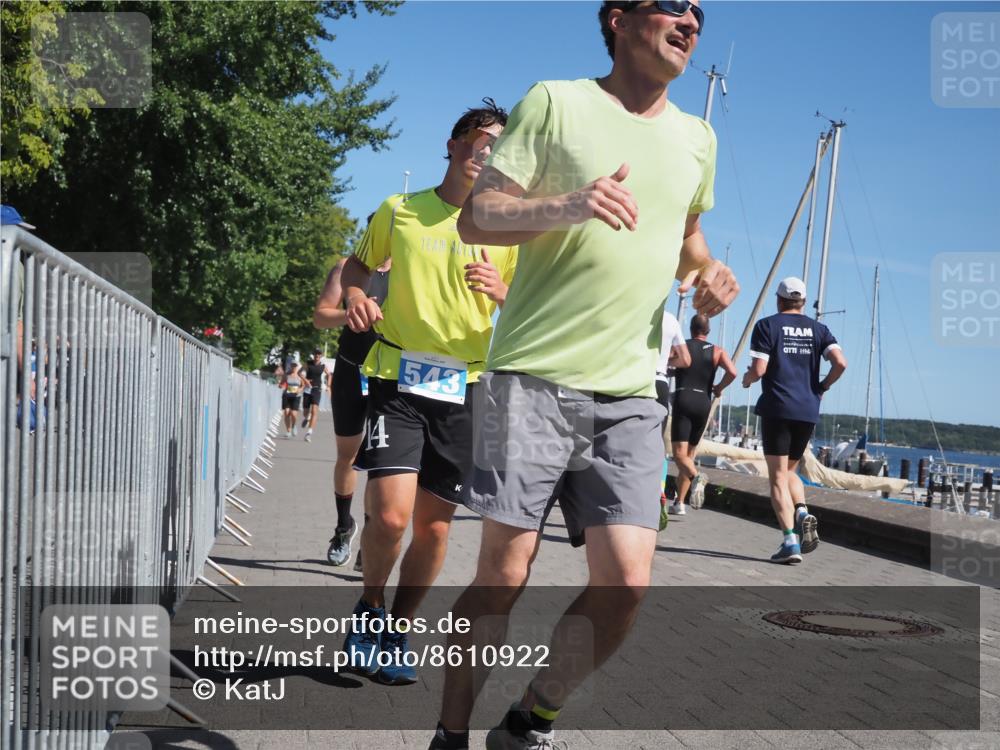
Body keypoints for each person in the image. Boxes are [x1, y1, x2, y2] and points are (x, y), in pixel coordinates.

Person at [430, 3, 739, 749]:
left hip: (632, 393)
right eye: (674, 5)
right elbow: (479, 215)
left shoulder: (698, 137)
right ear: (619, 18)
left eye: (702, 10)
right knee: (504, 574)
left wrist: (712, 275)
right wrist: (572, 203)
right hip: (532, 377)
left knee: (627, 584)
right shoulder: (557, 101)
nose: (692, 20)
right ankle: (451, 734)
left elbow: (688, 241)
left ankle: (530, 716)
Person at [339, 98, 517, 686]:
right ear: (452, 144)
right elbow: (356, 269)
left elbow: (530, 314)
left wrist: (502, 293)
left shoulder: (510, 231)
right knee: (391, 518)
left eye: (493, 145)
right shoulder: (401, 210)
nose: (481, 151)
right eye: (473, 139)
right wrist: (358, 297)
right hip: (396, 380)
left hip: (464, 388)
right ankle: (367, 606)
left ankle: (397, 630)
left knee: (435, 528)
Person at [742, 276, 847, 564]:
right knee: (790, 472)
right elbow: (841, 363)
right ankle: (801, 510)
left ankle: (790, 542)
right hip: (807, 410)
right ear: (802, 302)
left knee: (776, 477)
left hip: (778, 408)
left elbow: (760, 369)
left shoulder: (767, 325)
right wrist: (822, 387)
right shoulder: (820, 329)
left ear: (779, 300)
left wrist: (748, 379)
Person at [313, 247, 391, 568]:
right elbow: (320, 316)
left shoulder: (410, 273)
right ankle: (344, 528)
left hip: (388, 375)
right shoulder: (347, 268)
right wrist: (352, 312)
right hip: (350, 370)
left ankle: (371, 541)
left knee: (381, 463)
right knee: (347, 456)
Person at [669, 312, 736, 515]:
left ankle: (697, 476)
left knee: (679, 456)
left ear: (691, 329)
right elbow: (732, 372)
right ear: (708, 331)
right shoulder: (717, 350)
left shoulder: (681, 347)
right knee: (689, 455)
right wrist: (718, 387)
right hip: (703, 403)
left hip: (684, 398)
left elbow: (667, 364)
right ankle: (680, 502)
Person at [655, 308, 689, 528]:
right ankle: (658, 492)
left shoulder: (631, 308)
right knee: (657, 447)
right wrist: (667, 360)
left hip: (632, 381)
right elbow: (685, 359)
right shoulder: (670, 319)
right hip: (660, 383)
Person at [301, 349, 329, 442]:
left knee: (314, 411)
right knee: (305, 411)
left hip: (317, 389)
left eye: (319, 354)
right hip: (307, 389)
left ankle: (309, 433)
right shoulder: (308, 363)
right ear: (313, 355)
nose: (317, 355)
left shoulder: (322, 366)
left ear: (321, 356)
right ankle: (306, 417)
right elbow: (299, 373)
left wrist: (328, 385)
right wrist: (306, 381)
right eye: (315, 354)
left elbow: (329, 375)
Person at [280, 361, 304, 438]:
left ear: (297, 367)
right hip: (287, 395)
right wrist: (281, 386)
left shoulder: (300, 376)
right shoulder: (286, 375)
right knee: (286, 412)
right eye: (292, 365)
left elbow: (303, 385)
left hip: (296, 396)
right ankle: (288, 431)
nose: (293, 367)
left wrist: (300, 390)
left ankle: (294, 426)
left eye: (295, 366)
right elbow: (281, 383)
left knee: (293, 414)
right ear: (290, 366)